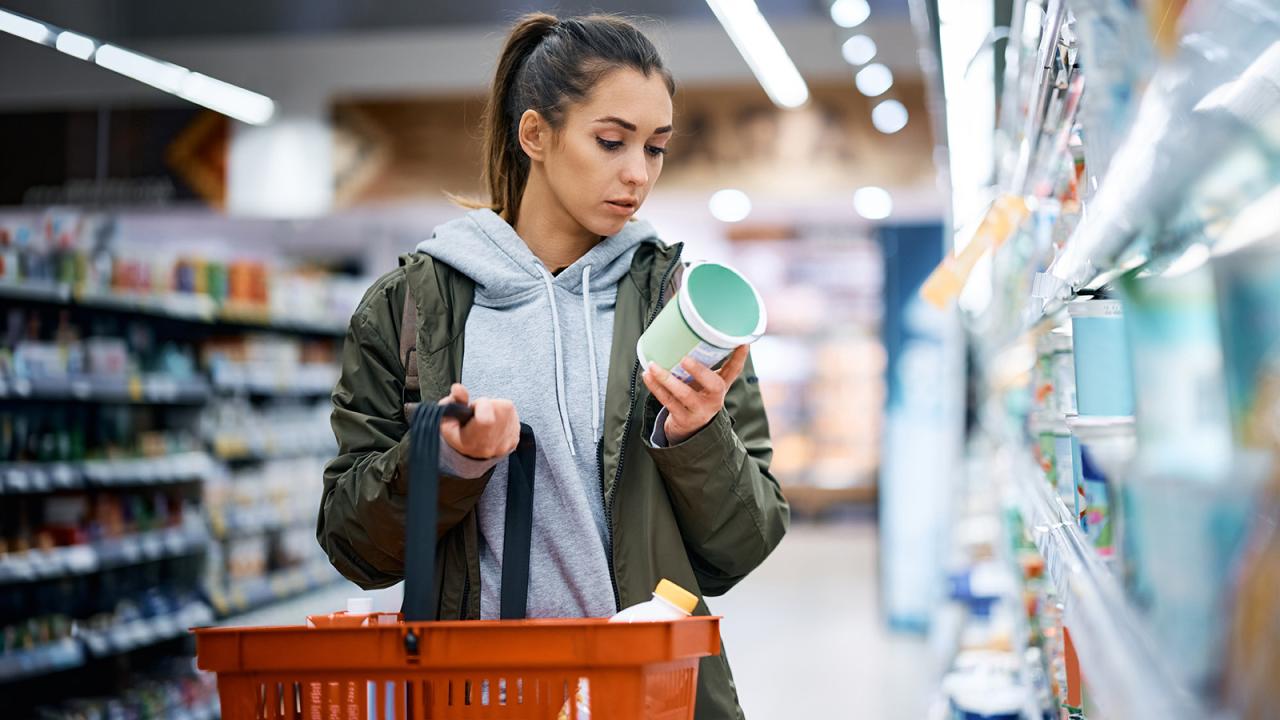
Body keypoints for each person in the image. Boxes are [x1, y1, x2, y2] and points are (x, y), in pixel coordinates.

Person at [317, 12, 789, 719]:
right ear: (535, 134)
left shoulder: (678, 307)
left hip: (647, 696)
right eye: (610, 141)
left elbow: (742, 548)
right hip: (478, 698)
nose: (638, 173)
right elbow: (356, 546)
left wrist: (698, 440)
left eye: (656, 148)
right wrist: (447, 462)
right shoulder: (412, 308)